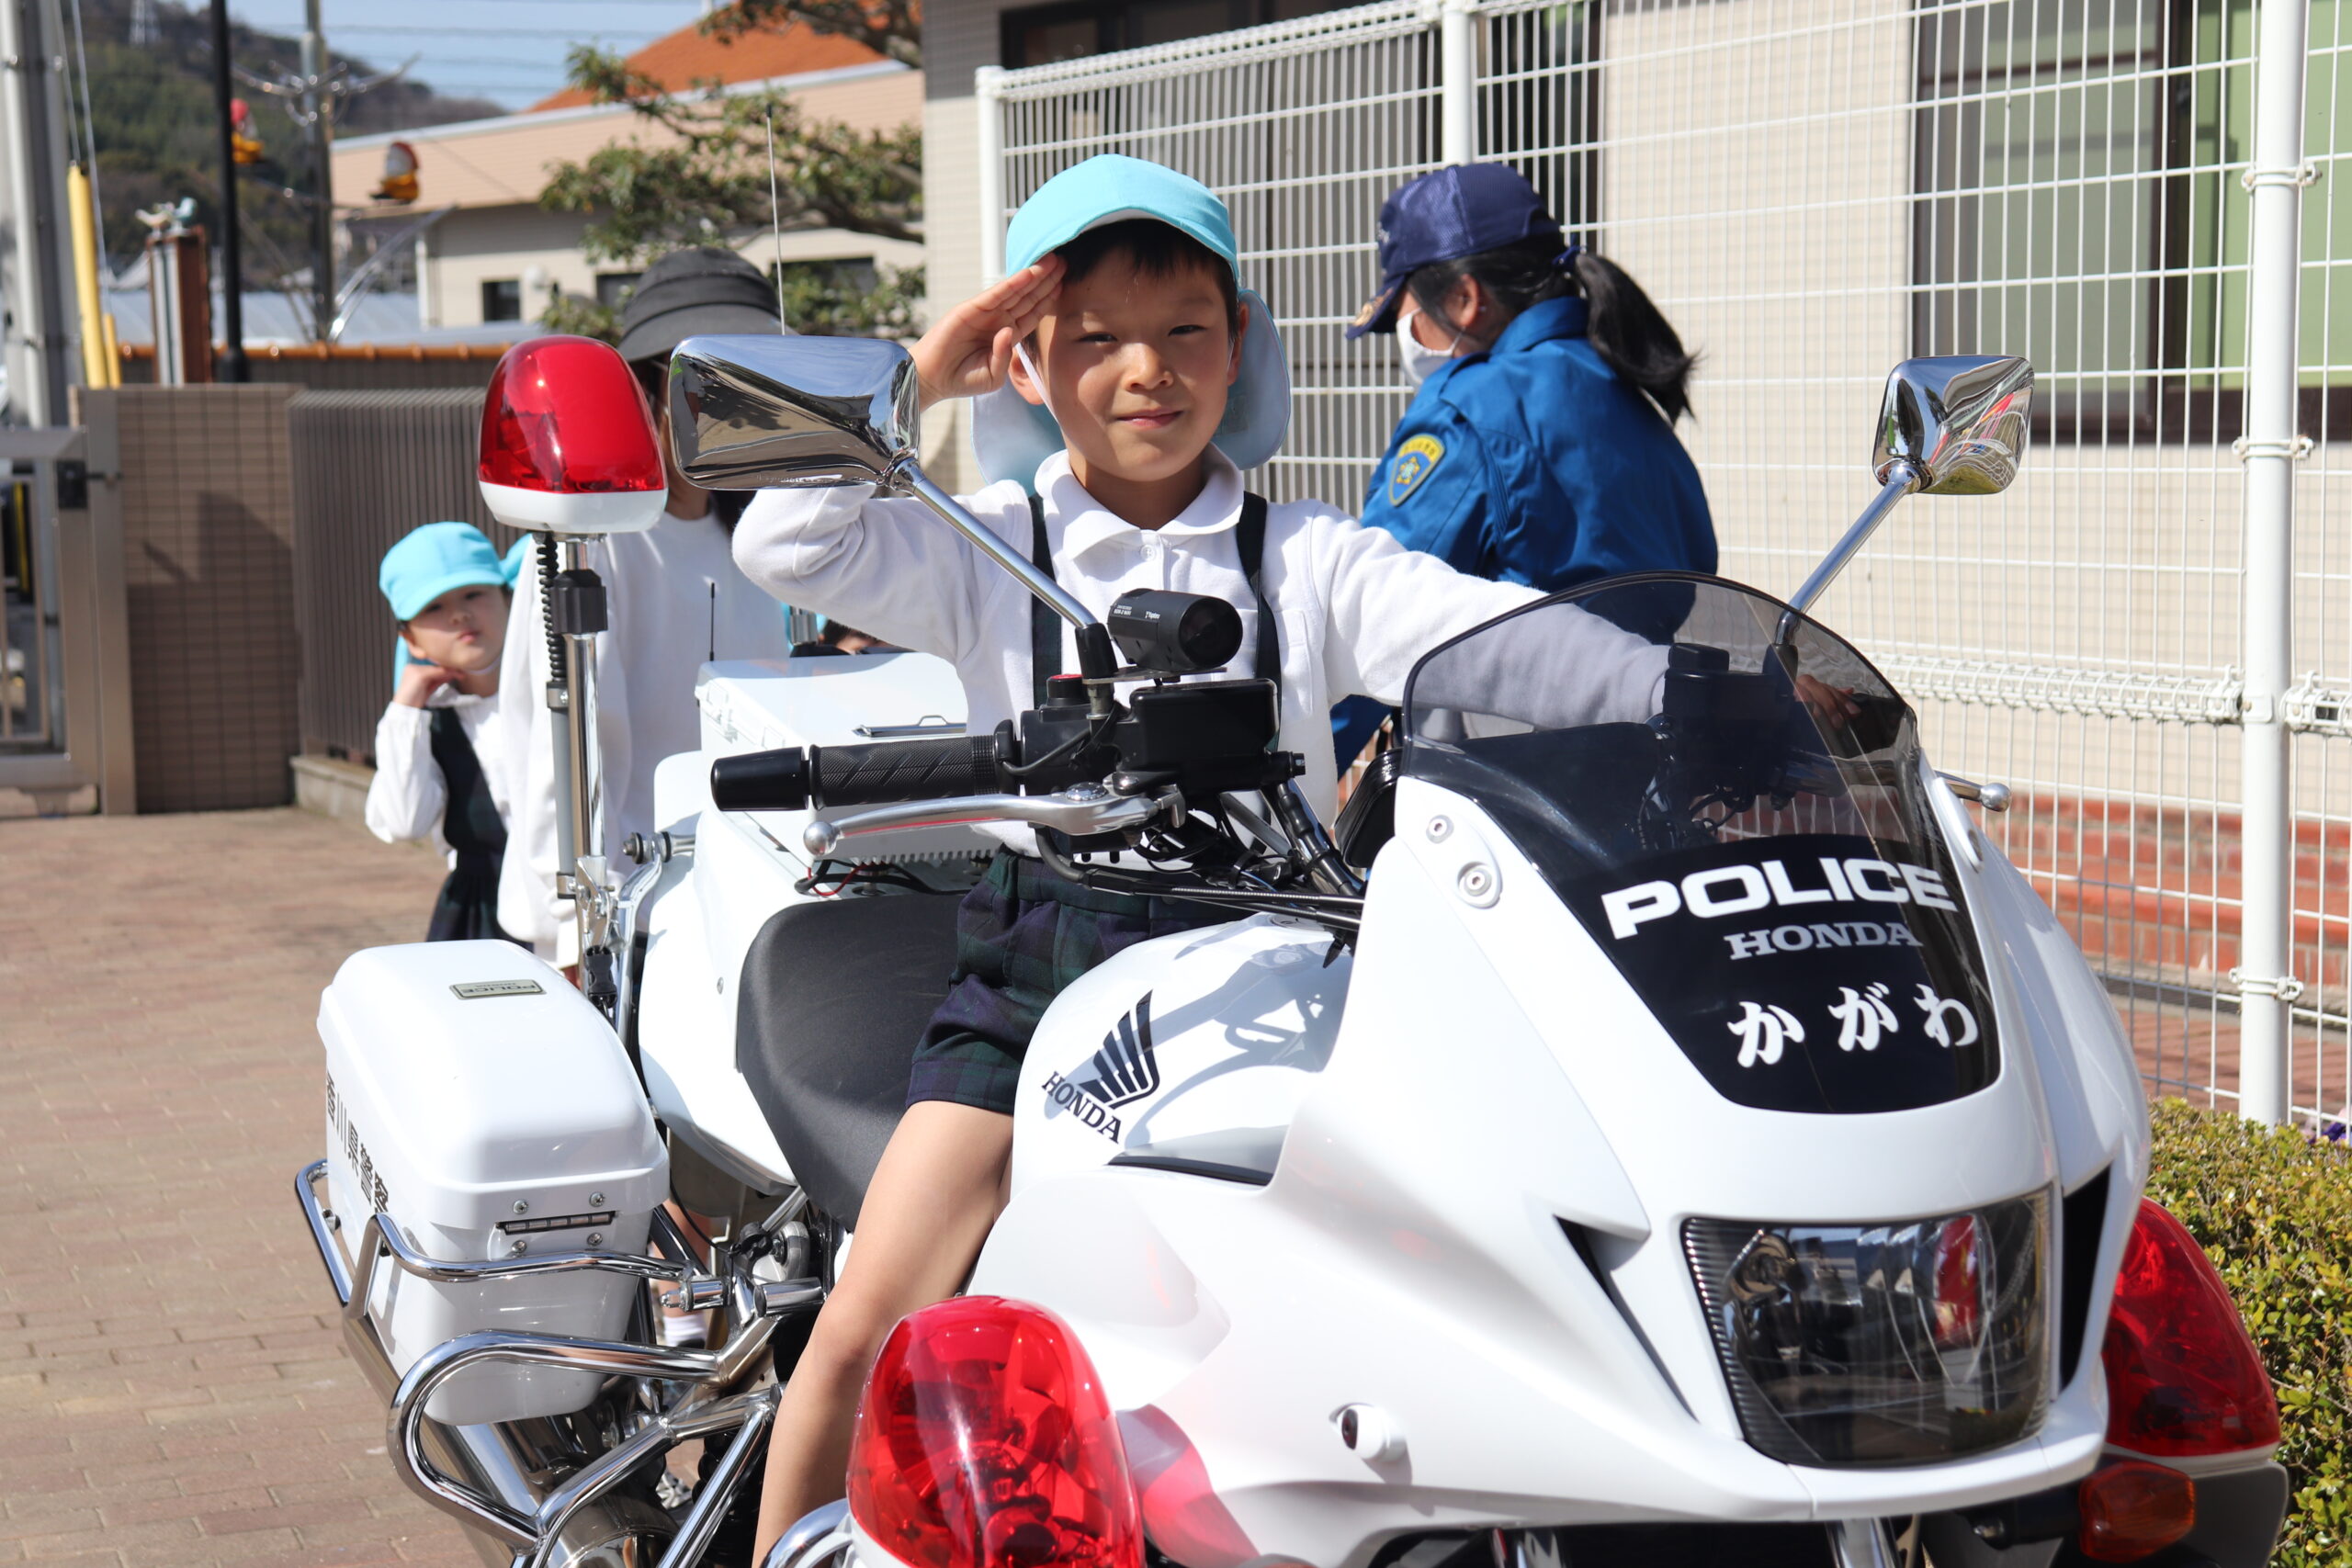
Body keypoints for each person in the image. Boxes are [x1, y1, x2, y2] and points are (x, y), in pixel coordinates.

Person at [730, 153, 1669, 1557]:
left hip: (1280, 962)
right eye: (1092, 337)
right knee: (879, 1306)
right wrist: (925, 372)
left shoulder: (1310, 557)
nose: (1145, 372)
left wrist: (1706, 691)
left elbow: (1508, 638)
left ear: (1241, 346)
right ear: (1027, 364)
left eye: (1184, 331)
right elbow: (783, 538)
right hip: (1046, 962)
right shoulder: (990, 546)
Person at [1330, 163, 1718, 765]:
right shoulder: (1630, 396)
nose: (1407, 333)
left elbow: (1377, 610)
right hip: (1654, 756)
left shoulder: (1470, 406)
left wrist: (1292, 770)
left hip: (1508, 780)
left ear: (1464, 298)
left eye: (1408, 309)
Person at [497, 248, 794, 959]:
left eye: (751, 382)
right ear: (645, 388)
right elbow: (561, 743)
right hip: (628, 923)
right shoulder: (593, 537)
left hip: (759, 900)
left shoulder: (777, 532)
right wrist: (577, 935)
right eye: (704, 381)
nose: (729, 406)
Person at [364, 522, 521, 944]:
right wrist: (405, 707)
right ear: (409, 639)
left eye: (474, 594)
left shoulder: (561, 696)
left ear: (509, 599)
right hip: (481, 922)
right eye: (434, 607)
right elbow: (402, 823)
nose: (459, 614)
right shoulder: (427, 724)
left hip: (575, 905)